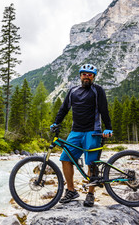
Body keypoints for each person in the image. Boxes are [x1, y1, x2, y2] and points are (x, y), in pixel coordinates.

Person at [50, 64, 113, 207]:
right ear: (80, 76)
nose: (86, 76)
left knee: (91, 163)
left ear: (94, 77)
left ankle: (90, 194)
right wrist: (56, 123)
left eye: (90, 74)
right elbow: (64, 108)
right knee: (65, 158)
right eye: (84, 74)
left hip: (93, 131)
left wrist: (108, 128)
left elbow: (104, 110)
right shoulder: (73, 91)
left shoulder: (98, 90)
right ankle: (71, 190)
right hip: (76, 132)